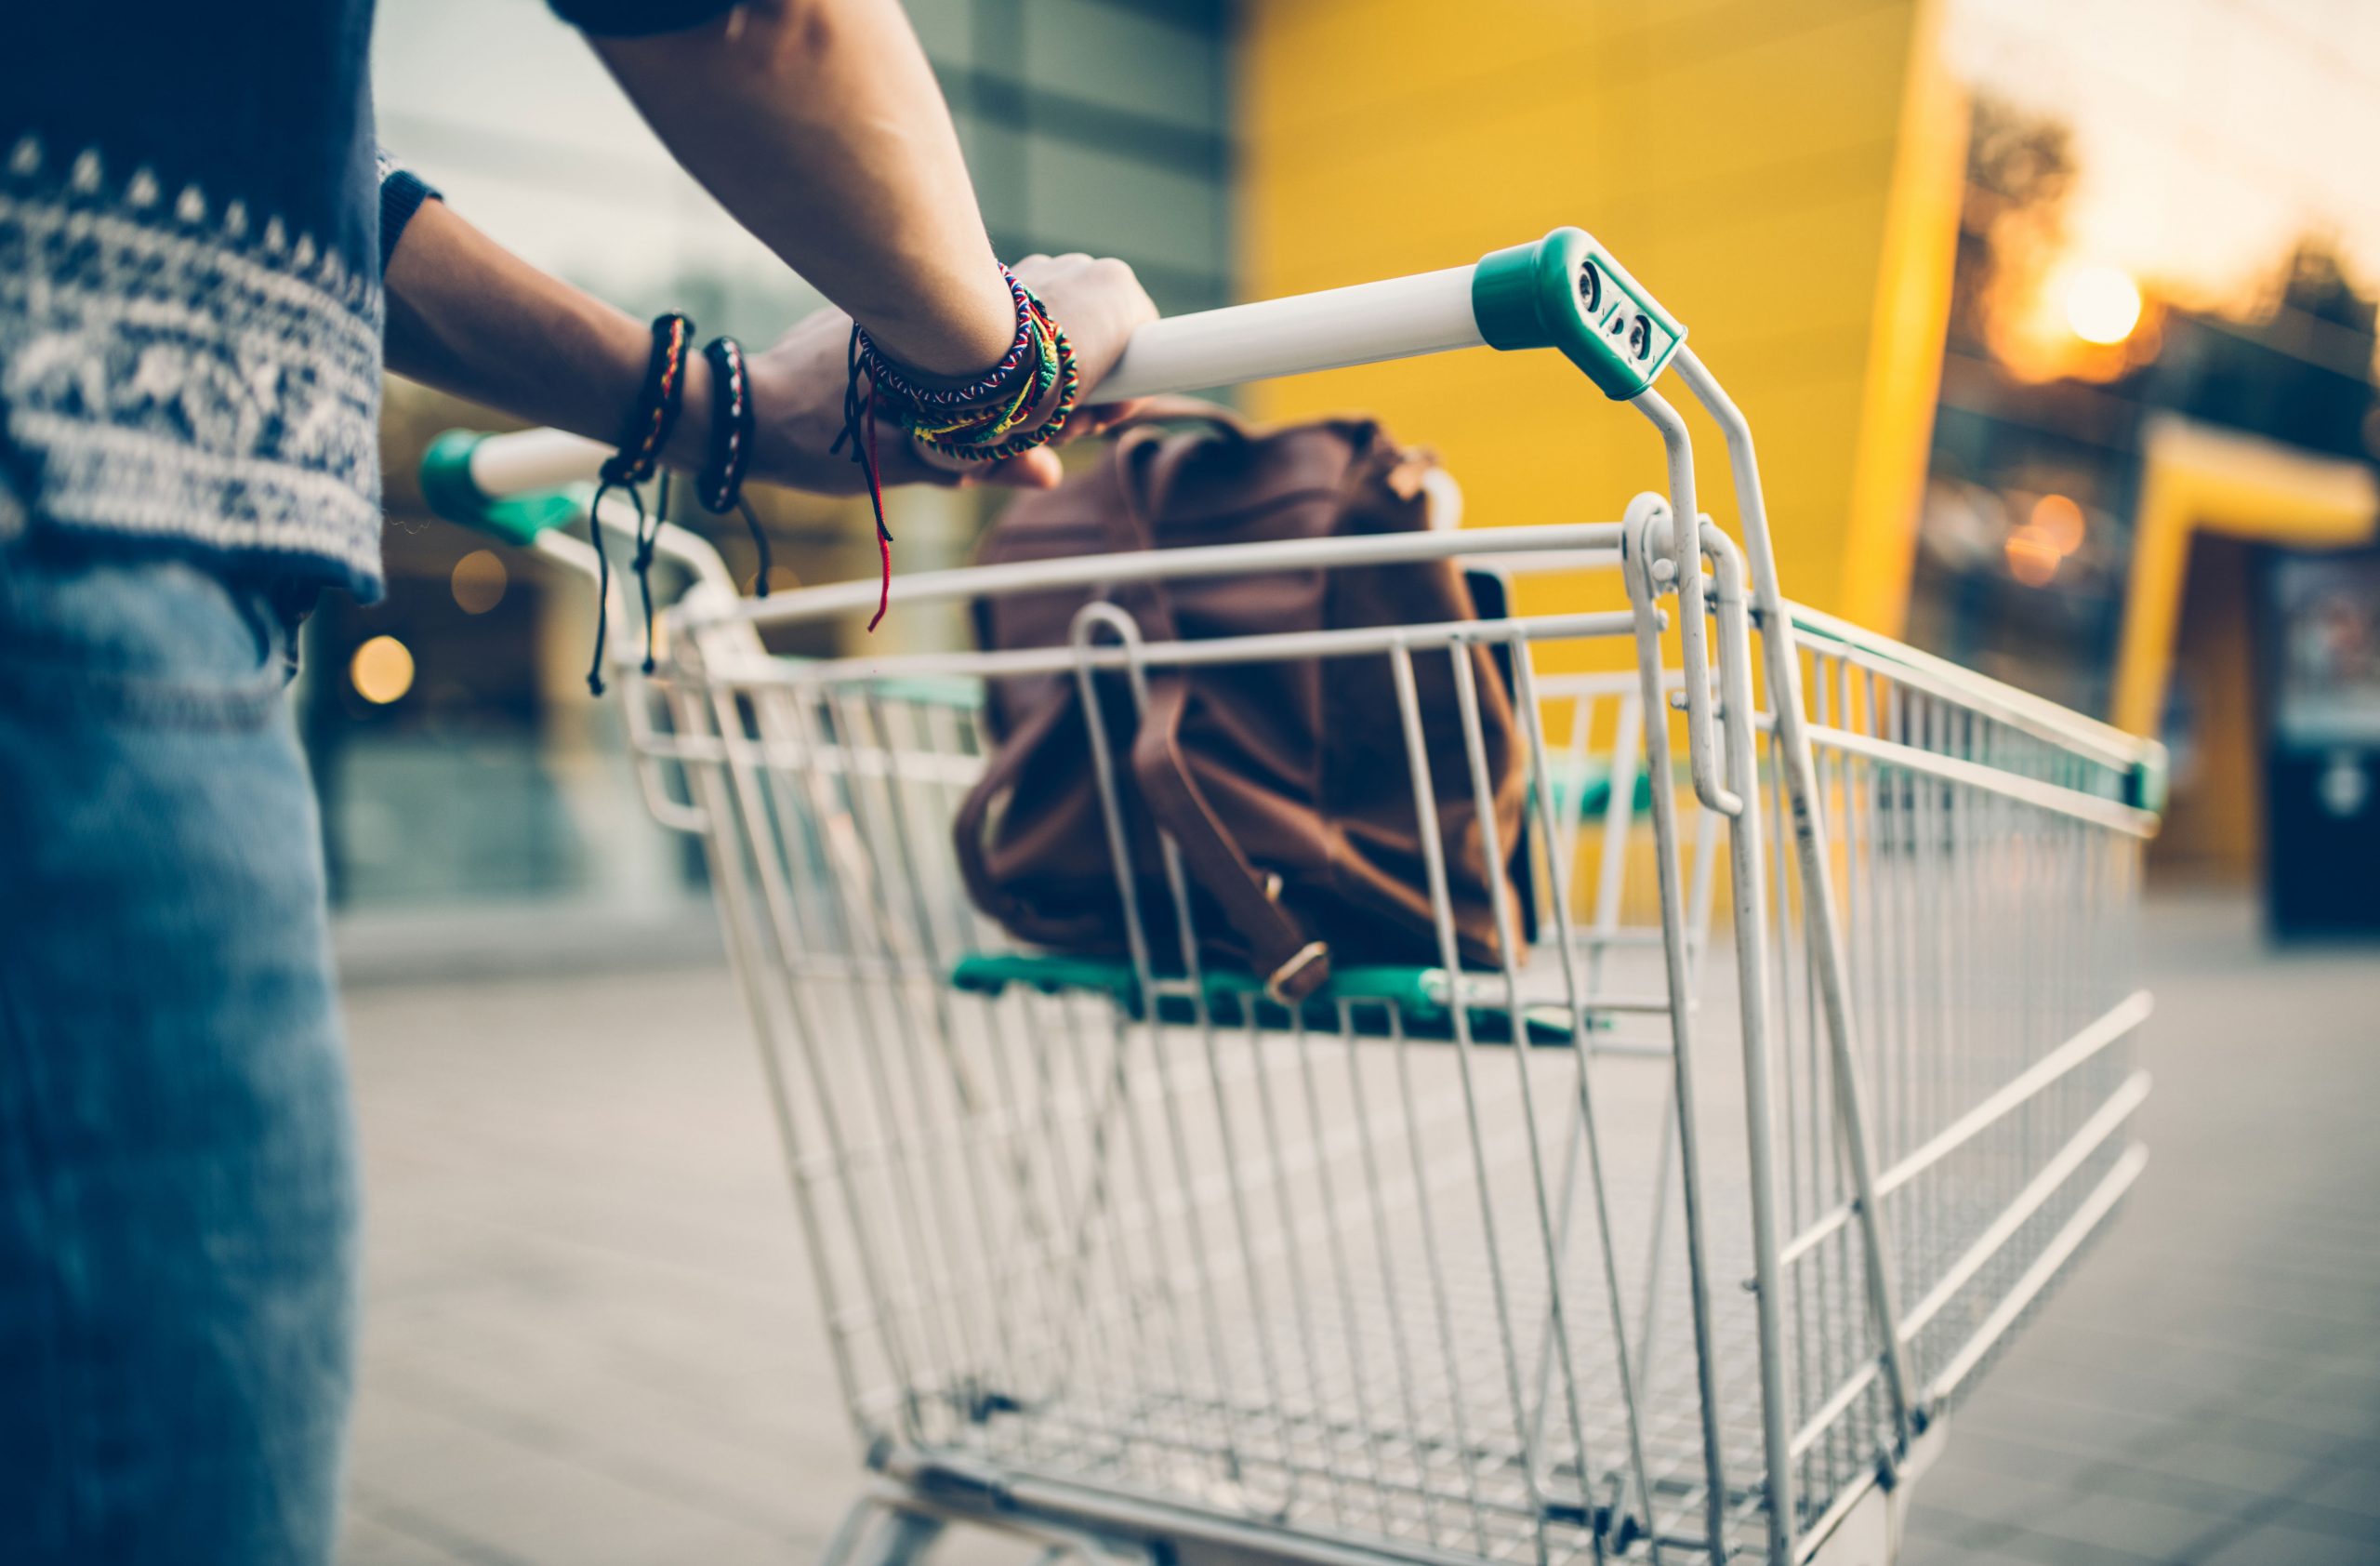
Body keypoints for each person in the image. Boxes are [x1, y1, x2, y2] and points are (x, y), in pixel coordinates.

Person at [0, 3, 1156, 1563]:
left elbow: (303, 176)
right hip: (61, 560)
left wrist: (713, 405)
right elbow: (757, 23)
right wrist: (1001, 357)